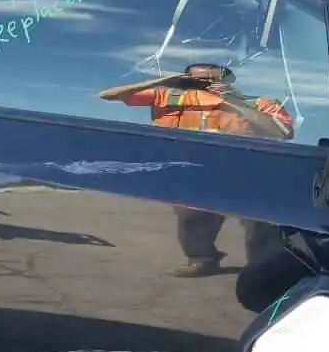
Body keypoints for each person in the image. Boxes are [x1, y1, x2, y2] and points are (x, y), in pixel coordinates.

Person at [99, 63, 294, 277]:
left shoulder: (258, 103)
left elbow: (283, 130)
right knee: (191, 219)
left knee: (259, 223)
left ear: (226, 81)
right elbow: (109, 95)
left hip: (244, 173)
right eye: (194, 78)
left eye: (209, 79)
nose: (202, 85)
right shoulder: (168, 97)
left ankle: (263, 269)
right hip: (193, 173)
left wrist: (231, 101)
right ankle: (201, 260)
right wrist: (164, 81)